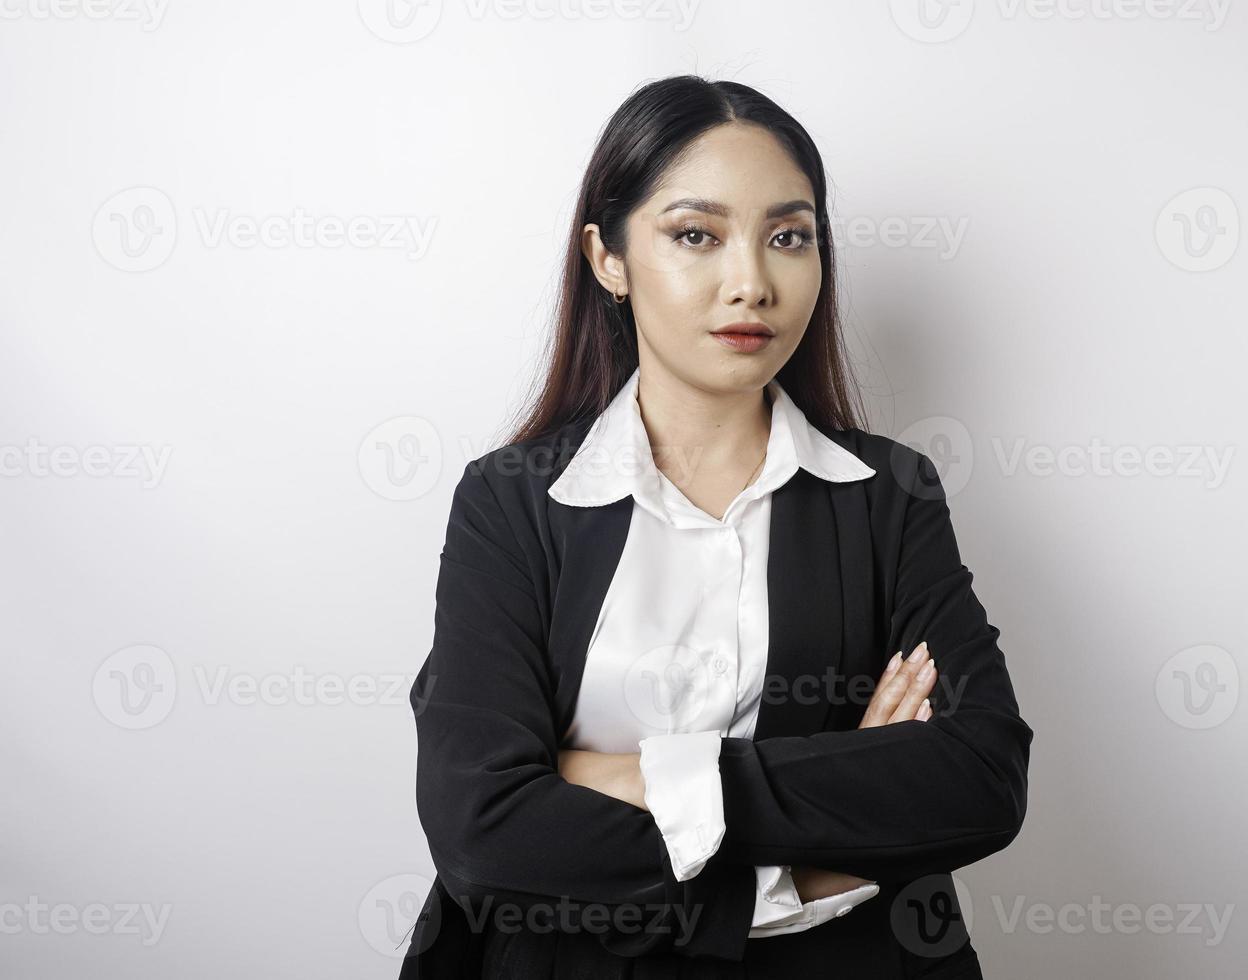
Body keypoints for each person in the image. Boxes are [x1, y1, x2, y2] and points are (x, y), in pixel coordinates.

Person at [399, 74, 1032, 979]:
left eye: (788, 237)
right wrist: (807, 855)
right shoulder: (513, 502)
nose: (752, 282)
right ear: (608, 258)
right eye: (695, 235)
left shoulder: (889, 493)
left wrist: (633, 775)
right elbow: (483, 833)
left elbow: (980, 777)